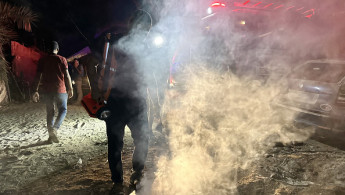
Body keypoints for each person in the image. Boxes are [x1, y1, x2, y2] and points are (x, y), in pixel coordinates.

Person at [32, 41, 73, 143]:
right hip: (60, 90)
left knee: (50, 113)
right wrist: (70, 88)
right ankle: (55, 129)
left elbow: (38, 76)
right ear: (57, 50)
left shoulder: (42, 60)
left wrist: (35, 90)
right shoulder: (62, 59)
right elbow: (67, 75)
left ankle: (51, 137)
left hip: (47, 91)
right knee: (63, 110)